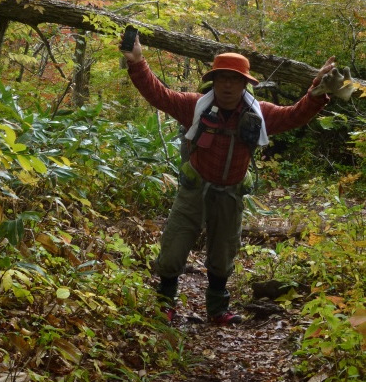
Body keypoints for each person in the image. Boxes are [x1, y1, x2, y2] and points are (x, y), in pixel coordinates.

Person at [121, 35, 335, 325]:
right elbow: (158, 94)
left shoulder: (259, 115)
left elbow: (294, 116)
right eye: (222, 78)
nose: (227, 85)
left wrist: (316, 92)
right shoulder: (194, 106)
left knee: (223, 255)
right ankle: (165, 303)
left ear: (245, 83)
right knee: (172, 250)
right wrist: (137, 62)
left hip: (231, 193)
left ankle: (218, 311)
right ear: (213, 81)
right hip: (194, 190)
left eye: (234, 80)